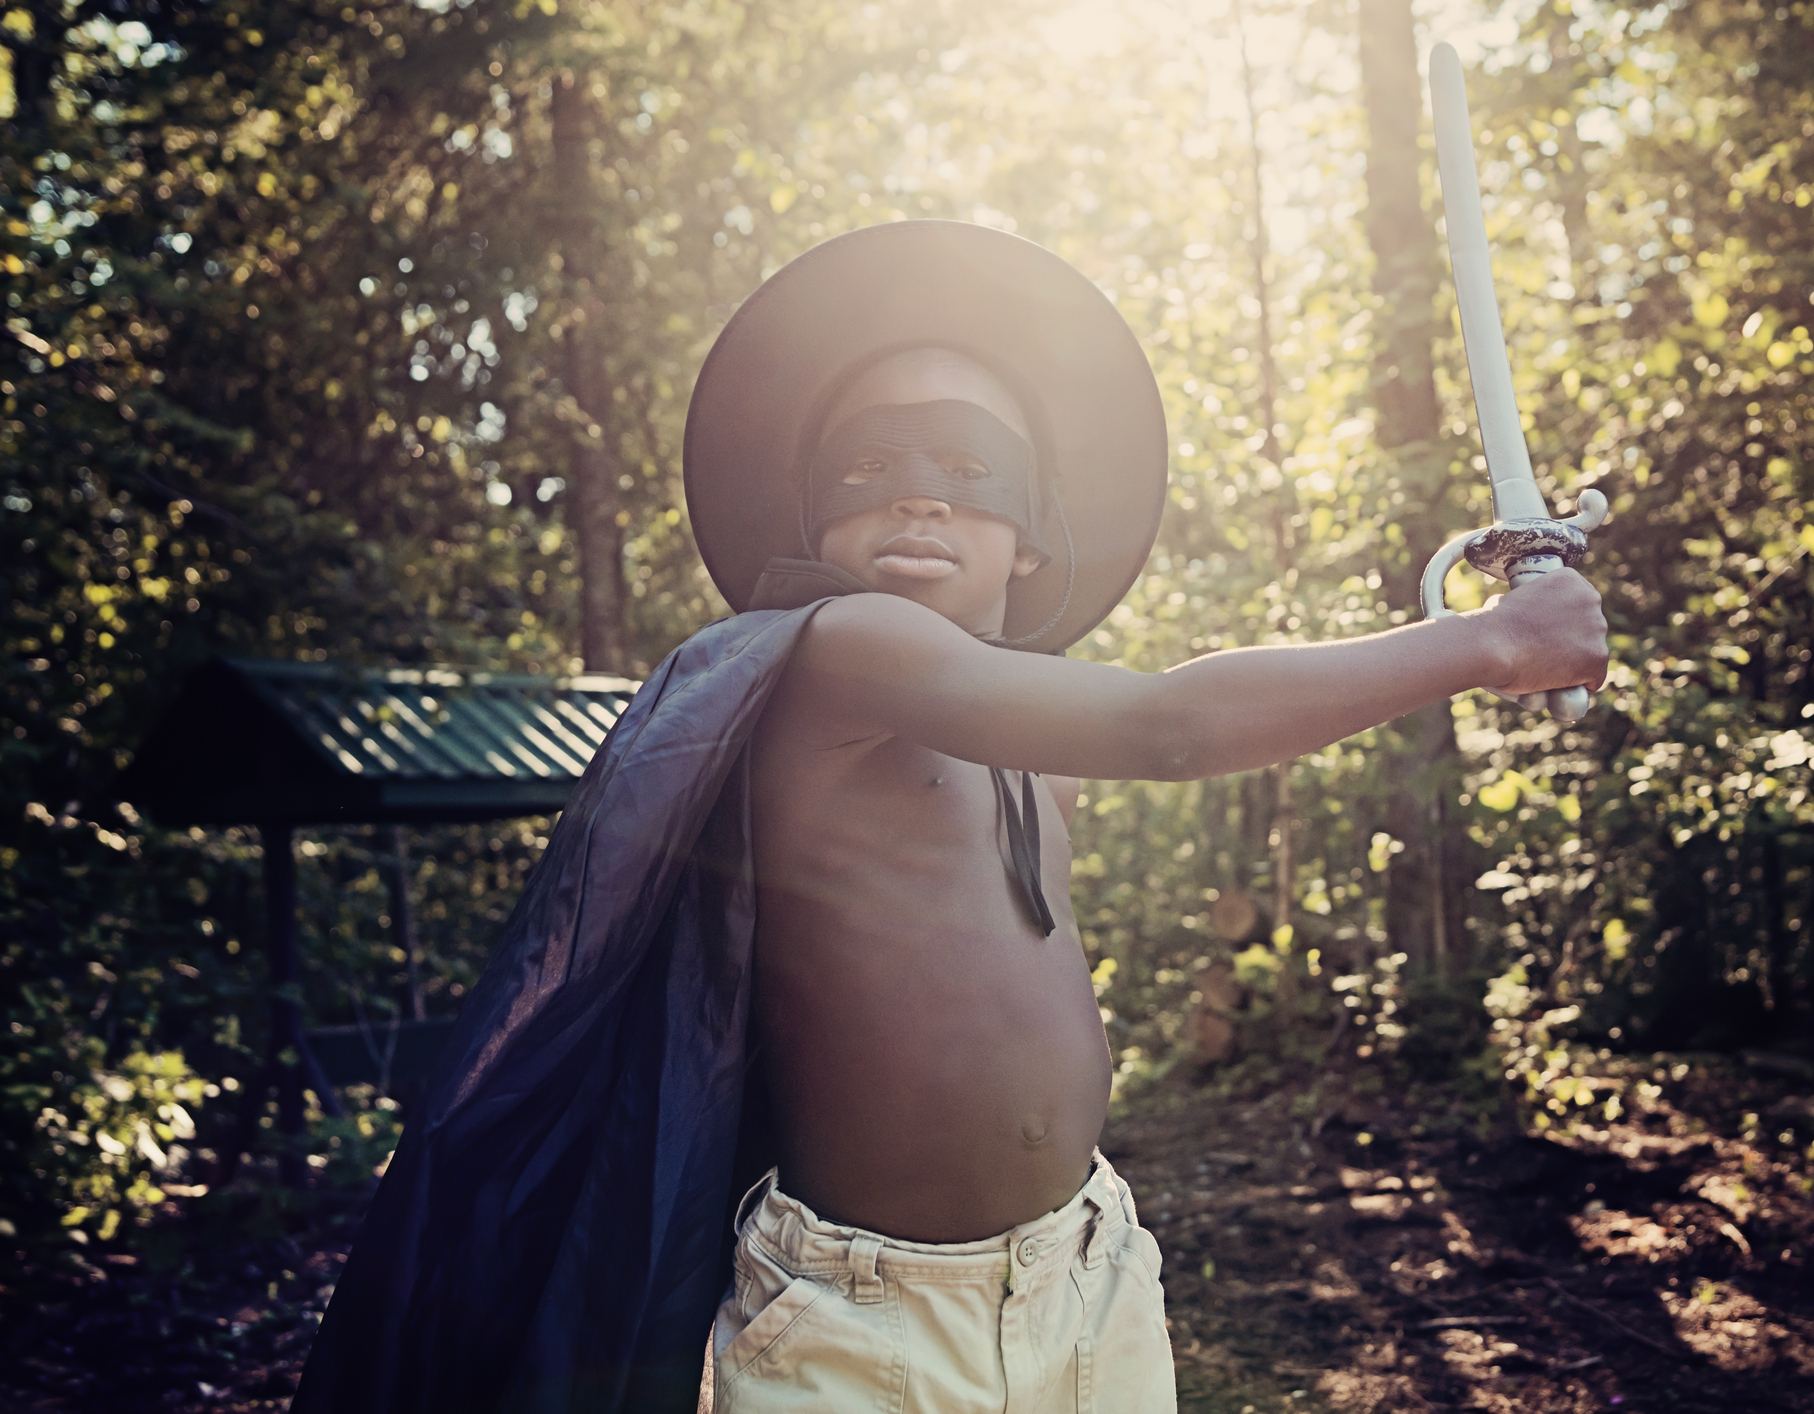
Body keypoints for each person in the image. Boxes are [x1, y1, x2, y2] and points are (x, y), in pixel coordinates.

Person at [292, 221, 1605, 1414]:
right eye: (872, 465)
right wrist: (1486, 646)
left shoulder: (1014, 731)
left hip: (1083, 1275)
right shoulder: (843, 653)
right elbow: (1172, 722)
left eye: (969, 470)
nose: (919, 496)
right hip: (863, 1330)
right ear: (813, 515)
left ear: (1031, 535)